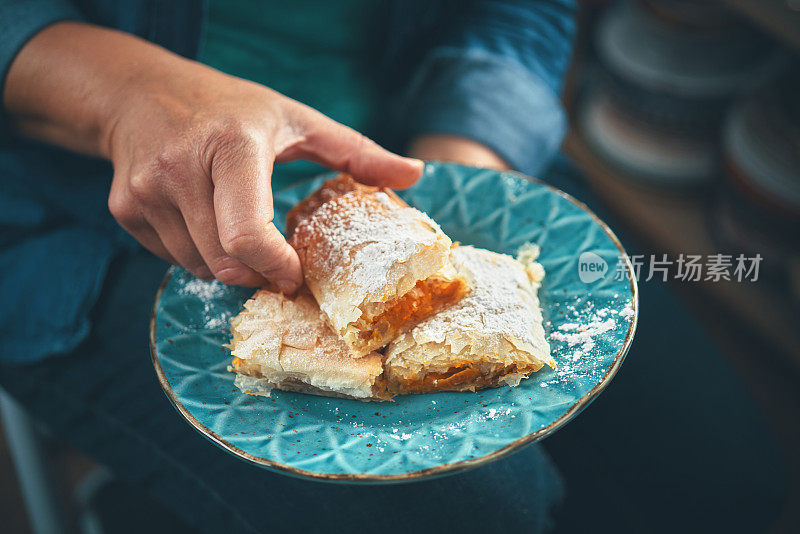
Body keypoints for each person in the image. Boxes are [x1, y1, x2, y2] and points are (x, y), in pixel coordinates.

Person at [0, 1, 788, 533]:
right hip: (79, 220)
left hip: (410, 144)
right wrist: (127, 92)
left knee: (731, 480)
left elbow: (518, 12)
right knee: (484, 511)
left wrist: (455, 167)